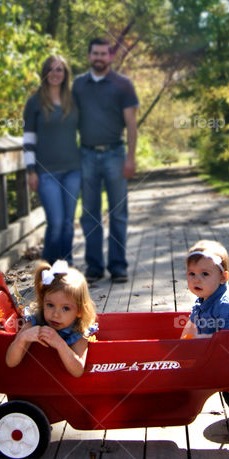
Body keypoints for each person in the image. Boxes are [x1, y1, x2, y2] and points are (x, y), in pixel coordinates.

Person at [72, 38, 138, 284]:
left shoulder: (123, 85)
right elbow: (70, 121)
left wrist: (130, 158)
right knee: (89, 213)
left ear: (110, 57)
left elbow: (131, 124)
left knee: (118, 212)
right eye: (95, 53)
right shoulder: (78, 85)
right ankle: (94, 267)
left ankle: (118, 266)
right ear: (89, 56)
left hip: (115, 154)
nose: (99, 57)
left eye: (104, 53)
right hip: (86, 154)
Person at [23, 55, 81, 263]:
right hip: (46, 172)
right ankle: (47, 272)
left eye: (59, 70)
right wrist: (31, 171)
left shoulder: (73, 101)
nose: (55, 74)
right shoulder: (35, 103)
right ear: (44, 73)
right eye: (51, 69)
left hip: (73, 170)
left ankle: (66, 268)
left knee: (67, 223)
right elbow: (29, 139)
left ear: (65, 74)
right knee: (55, 223)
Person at [5, 259, 98, 377]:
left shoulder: (78, 330)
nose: (55, 314)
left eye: (65, 308)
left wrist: (60, 344)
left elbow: (78, 371)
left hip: (63, 387)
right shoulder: (35, 323)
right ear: (43, 302)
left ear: (79, 311)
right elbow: (11, 362)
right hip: (35, 381)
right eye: (50, 305)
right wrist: (22, 338)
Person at [179, 240, 229, 338]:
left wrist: (199, 340)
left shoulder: (226, 307)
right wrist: (182, 344)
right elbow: (191, 325)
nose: (196, 280)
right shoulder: (204, 297)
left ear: (223, 278)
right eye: (192, 274)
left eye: (205, 274)